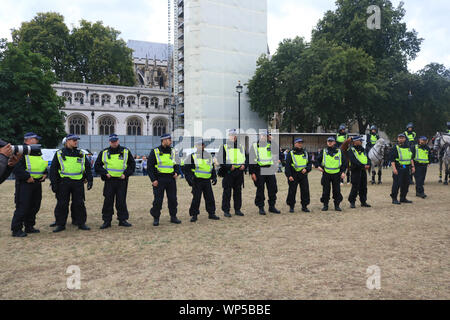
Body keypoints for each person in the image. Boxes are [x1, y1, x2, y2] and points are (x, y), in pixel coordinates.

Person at [49, 134, 93, 232]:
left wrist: (90, 180)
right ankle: (60, 224)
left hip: (78, 182)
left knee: (79, 204)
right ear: (67, 141)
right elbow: (53, 170)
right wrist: (54, 184)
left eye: (76, 140)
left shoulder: (81, 153)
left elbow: (87, 168)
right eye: (73, 140)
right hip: (64, 182)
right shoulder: (59, 153)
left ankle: (81, 223)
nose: (76, 142)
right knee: (62, 204)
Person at [10, 133, 48, 237]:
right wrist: (27, 177)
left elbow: (41, 164)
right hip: (24, 183)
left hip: (36, 183)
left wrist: (45, 173)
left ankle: (29, 226)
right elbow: (16, 167)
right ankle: (16, 229)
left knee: (35, 205)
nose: (37, 141)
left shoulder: (37, 152)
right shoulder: (20, 151)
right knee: (23, 206)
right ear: (28, 140)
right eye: (35, 139)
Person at [94, 134, 136, 229]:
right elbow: (97, 166)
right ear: (109, 142)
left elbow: (132, 165)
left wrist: (125, 174)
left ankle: (122, 220)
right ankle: (107, 221)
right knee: (108, 201)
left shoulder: (125, 151)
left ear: (118, 141)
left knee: (121, 201)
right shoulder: (104, 152)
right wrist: (104, 173)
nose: (114, 143)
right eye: (112, 141)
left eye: (115, 141)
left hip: (121, 181)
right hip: (109, 181)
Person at [147, 134, 181, 226]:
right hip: (159, 179)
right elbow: (149, 167)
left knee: (173, 199)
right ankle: (156, 217)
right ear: (163, 140)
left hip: (171, 179)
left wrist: (177, 172)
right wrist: (153, 180)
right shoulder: (155, 151)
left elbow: (177, 164)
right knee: (158, 200)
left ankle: (173, 217)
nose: (170, 141)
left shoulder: (173, 151)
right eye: (169, 139)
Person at [184, 140, 220, 222]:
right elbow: (186, 169)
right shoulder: (192, 156)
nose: (201, 146)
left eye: (202, 145)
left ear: (204, 146)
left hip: (207, 181)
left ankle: (211, 213)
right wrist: (190, 179)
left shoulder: (209, 156)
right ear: (196, 146)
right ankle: (194, 215)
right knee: (196, 199)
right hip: (197, 181)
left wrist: (214, 177)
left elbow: (212, 167)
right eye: (199, 145)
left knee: (210, 198)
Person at [249, 130, 280, 215]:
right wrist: (252, 173)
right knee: (260, 189)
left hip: (270, 169)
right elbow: (251, 159)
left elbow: (277, 152)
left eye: (265, 136)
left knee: (273, 188)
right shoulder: (255, 146)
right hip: (259, 169)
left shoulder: (270, 144)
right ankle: (261, 207)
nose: (263, 137)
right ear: (259, 136)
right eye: (262, 135)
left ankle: (272, 206)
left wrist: (273, 141)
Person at [216, 129, 247, 218]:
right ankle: (226, 210)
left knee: (238, 192)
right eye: (231, 135)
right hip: (229, 172)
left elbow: (246, 157)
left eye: (234, 135)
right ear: (228, 137)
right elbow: (220, 160)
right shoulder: (224, 147)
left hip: (239, 172)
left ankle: (237, 209)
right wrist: (229, 166)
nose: (233, 137)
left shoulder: (240, 146)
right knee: (227, 192)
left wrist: (244, 165)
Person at [315, 137, 347, 211]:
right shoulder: (324, 151)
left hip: (337, 174)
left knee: (337, 191)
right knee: (326, 190)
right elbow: (317, 160)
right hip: (326, 174)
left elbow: (344, 163)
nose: (329, 142)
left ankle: (337, 205)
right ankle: (325, 205)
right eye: (328, 141)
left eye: (331, 141)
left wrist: (343, 172)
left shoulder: (339, 151)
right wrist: (318, 166)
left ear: (334, 142)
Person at [285, 138, 312, 213]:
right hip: (293, 175)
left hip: (303, 175)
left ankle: (304, 206)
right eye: (298, 143)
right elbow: (287, 166)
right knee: (292, 191)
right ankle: (291, 206)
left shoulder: (305, 153)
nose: (300, 144)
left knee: (305, 191)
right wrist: (289, 175)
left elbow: (309, 164)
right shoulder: (291, 153)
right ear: (295, 143)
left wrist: (307, 169)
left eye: (301, 143)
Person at [389, 133, 415, 204]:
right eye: (400, 138)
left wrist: (413, 166)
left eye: (402, 138)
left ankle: (403, 198)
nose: (401, 139)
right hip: (398, 168)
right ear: (397, 139)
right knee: (396, 184)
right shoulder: (395, 148)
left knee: (406, 184)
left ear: (405, 139)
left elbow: (411, 158)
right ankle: (394, 199)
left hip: (406, 168)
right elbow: (392, 160)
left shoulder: (408, 148)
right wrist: (394, 169)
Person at [347, 136, 372, 208]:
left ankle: (363, 201)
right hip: (355, 170)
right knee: (355, 186)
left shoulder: (363, 149)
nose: (361, 142)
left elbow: (367, 158)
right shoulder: (351, 150)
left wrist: (368, 164)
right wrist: (363, 166)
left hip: (363, 170)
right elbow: (354, 161)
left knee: (364, 186)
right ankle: (352, 201)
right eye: (360, 140)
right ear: (355, 142)